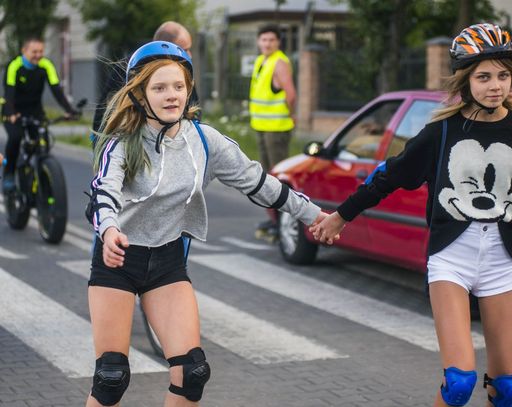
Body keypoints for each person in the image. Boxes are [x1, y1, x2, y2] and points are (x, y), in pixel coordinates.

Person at [84, 41, 331, 407]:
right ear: (140, 94)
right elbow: (104, 191)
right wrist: (108, 230)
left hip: (167, 262)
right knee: (111, 377)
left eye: (178, 86)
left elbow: (259, 182)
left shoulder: (204, 140)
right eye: (159, 87)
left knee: (192, 373)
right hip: (118, 260)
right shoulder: (122, 143)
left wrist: (312, 215)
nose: (172, 95)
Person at [310, 23, 512, 407]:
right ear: (465, 81)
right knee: (460, 382)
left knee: (508, 386)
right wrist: (341, 216)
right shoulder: (441, 133)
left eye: (503, 76)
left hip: (501, 263)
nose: (495, 86)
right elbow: (388, 176)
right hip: (452, 259)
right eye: (483, 77)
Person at [91, 21, 199, 143]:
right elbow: (105, 111)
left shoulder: (183, 72)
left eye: (179, 87)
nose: (189, 55)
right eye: (185, 49)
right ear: (166, 45)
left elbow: (194, 110)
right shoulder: (131, 69)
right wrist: (101, 144)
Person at [2, 37, 76, 191]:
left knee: (42, 142)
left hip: (35, 111)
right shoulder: (14, 66)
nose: (38, 55)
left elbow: (56, 90)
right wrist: (11, 113)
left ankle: (42, 173)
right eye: (34, 51)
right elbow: (9, 92)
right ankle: (9, 173)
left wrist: (69, 109)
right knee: (15, 138)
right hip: (13, 111)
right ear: (24, 51)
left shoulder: (46, 65)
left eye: (41, 51)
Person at [249, 24, 297, 239]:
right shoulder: (261, 60)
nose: (267, 43)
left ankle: (285, 221)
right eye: (264, 39)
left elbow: (291, 94)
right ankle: (275, 219)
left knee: (279, 179)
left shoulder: (279, 62)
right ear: (258, 41)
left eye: (271, 40)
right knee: (269, 177)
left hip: (276, 129)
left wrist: (292, 114)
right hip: (262, 126)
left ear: (278, 42)